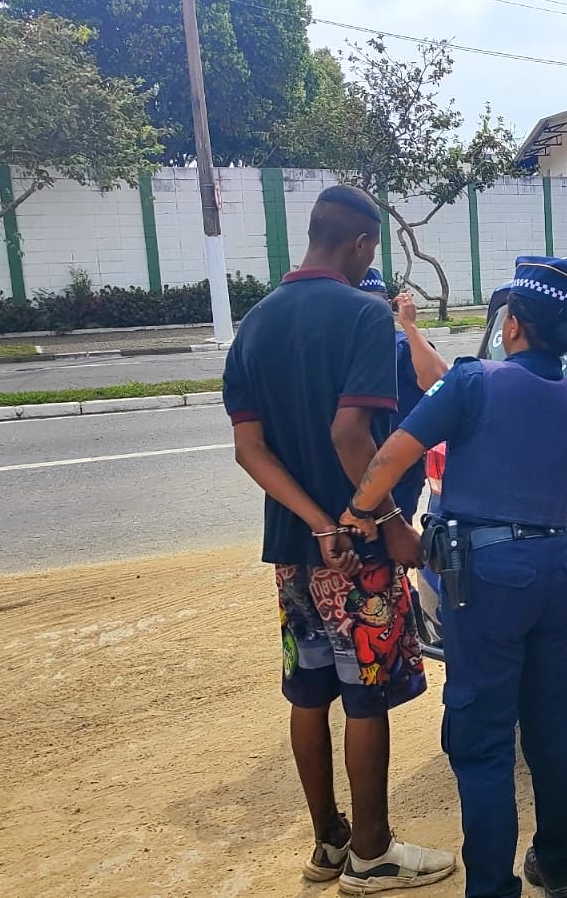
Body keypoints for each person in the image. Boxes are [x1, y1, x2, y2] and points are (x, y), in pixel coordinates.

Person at [338, 256, 567, 898]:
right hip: (561, 575)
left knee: (482, 745)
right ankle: (558, 871)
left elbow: (391, 454)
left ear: (512, 326)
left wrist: (357, 513)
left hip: (487, 583)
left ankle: (491, 887)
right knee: (554, 735)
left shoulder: (473, 383)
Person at [222, 184, 455, 895]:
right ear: (358, 244)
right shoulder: (362, 314)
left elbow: (249, 450)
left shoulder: (255, 323)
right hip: (358, 553)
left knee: (309, 690)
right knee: (366, 698)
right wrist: (383, 522)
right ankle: (373, 852)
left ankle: (328, 841)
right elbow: (350, 434)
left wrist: (314, 520)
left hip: (296, 550)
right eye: (370, 250)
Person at [356, 269, 450, 521]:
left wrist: (409, 326)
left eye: (378, 304)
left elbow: (442, 382)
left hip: (398, 468)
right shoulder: (340, 347)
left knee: (395, 537)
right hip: (350, 463)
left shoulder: (402, 346)